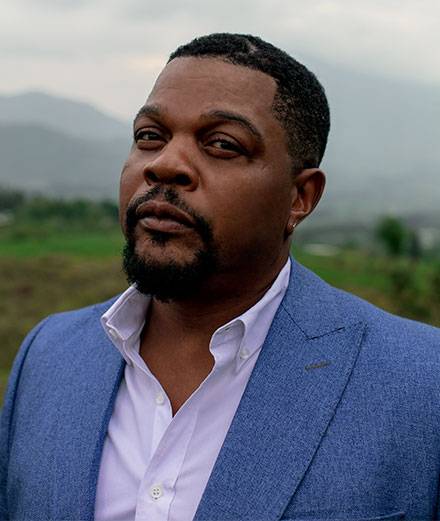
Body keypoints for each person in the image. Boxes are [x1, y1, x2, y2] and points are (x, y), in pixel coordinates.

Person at [1, 32, 440, 521]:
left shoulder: (422, 383)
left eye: (222, 144)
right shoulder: (49, 355)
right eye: (149, 136)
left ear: (300, 197)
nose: (165, 164)